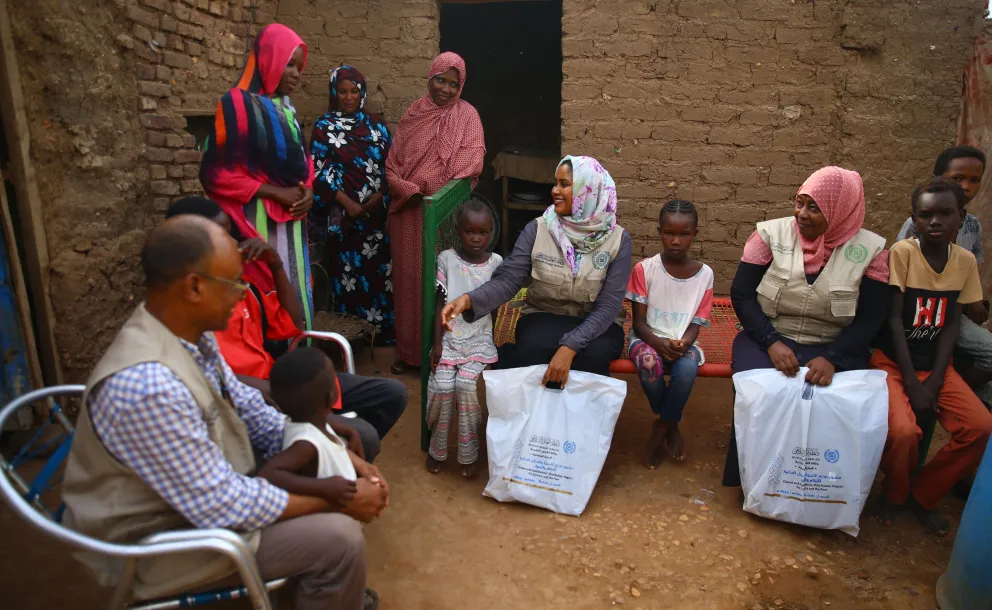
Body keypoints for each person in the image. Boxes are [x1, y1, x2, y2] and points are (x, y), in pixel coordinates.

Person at [61, 216, 381, 610]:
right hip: (156, 544)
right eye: (235, 282)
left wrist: (339, 456)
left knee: (344, 450)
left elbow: (254, 414)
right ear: (194, 287)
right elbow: (224, 506)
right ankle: (328, 578)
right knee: (340, 539)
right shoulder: (148, 387)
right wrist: (340, 500)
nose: (242, 293)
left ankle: (322, 586)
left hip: (201, 495)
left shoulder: (191, 337)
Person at [165, 197, 407, 463]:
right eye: (222, 238)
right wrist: (282, 397)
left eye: (231, 234)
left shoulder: (242, 288)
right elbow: (212, 379)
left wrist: (276, 264)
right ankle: (328, 463)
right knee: (362, 434)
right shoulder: (182, 317)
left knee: (391, 395)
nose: (233, 244)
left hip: (280, 384)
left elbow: (295, 325)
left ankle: (329, 462)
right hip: (256, 401)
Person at [723, 166, 890, 487]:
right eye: (799, 203)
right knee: (757, 394)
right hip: (768, 336)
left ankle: (819, 486)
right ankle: (752, 478)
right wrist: (771, 341)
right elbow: (742, 294)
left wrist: (834, 357)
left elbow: (871, 317)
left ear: (840, 210)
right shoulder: (769, 235)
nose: (801, 214)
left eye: (814, 207)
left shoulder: (871, 251)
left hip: (834, 346)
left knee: (837, 405)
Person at [441, 156, 631, 386]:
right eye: (556, 183)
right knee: (532, 348)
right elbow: (510, 278)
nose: (554, 190)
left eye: (564, 184)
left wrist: (570, 346)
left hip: (596, 323)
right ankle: (541, 418)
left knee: (592, 355)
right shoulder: (538, 229)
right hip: (545, 315)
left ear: (588, 190)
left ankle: (579, 419)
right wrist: (469, 300)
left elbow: (609, 306)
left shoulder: (618, 240)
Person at [872, 177, 992, 536]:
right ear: (914, 219)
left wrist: (936, 380)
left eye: (945, 213)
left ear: (961, 217)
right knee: (905, 432)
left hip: (936, 364)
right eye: (926, 215)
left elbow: (951, 324)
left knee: (980, 427)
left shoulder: (964, 261)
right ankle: (893, 495)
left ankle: (923, 495)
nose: (935, 221)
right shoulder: (903, 254)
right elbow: (894, 320)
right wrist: (912, 381)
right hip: (894, 362)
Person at [199, 23, 315, 330]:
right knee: (263, 300)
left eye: (299, 68)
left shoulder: (286, 111)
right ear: (268, 59)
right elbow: (215, 173)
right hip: (254, 221)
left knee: (295, 291)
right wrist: (274, 192)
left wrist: (308, 192)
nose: (295, 74)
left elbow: (305, 163)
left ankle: (299, 356)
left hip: (292, 225)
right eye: (289, 64)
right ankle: (265, 364)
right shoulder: (236, 104)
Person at [385, 51, 485, 374]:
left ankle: (441, 354)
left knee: (441, 284)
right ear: (430, 77)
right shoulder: (414, 113)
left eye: (453, 84)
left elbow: (470, 164)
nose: (445, 88)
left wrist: (433, 194)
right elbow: (393, 164)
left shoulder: (468, 117)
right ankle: (410, 353)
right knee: (410, 282)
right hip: (409, 214)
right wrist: (409, 190)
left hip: (443, 216)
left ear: (462, 87)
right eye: (440, 80)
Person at [895, 146, 992, 404]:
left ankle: (952, 392)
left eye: (974, 180)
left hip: (952, 307)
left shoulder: (972, 224)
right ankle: (943, 392)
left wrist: (975, 302)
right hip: (922, 310)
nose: (967, 186)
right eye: (957, 178)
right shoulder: (918, 224)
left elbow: (970, 269)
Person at [259, 348, 389, 532]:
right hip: (329, 525)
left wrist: (344, 428)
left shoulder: (310, 422)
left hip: (338, 514)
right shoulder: (305, 442)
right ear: (331, 397)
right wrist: (324, 487)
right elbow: (269, 473)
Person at [625, 200, 714, 468]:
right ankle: (671, 424)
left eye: (684, 234)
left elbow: (697, 322)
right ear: (659, 231)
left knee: (686, 371)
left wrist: (684, 341)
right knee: (650, 365)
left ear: (695, 234)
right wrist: (659, 343)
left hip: (683, 341)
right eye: (669, 233)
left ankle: (662, 426)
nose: (676, 241)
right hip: (646, 339)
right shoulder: (645, 269)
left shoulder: (704, 274)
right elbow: (639, 323)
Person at [310, 65, 395, 342]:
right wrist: (348, 203)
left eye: (354, 91)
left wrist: (380, 196)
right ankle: (352, 338)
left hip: (376, 220)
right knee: (347, 278)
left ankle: (381, 335)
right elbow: (318, 172)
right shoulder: (324, 128)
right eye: (342, 92)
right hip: (344, 221)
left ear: (362, 93)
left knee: (380, 277)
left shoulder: (377, 126)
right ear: (334, 93)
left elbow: (391, 166)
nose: (348, 97)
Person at [425, 200, 502, 477]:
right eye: (470, 232)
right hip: (449, 338)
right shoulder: (446, 259)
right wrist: (436, 344)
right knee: (443, 387)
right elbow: (439, 304)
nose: (476, 238)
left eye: (483, 232)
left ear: (491, 232)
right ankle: (438, 449)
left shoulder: (496, 263)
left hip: (480, 338)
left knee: (466, 386)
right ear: (458, 231)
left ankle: (469, 454)